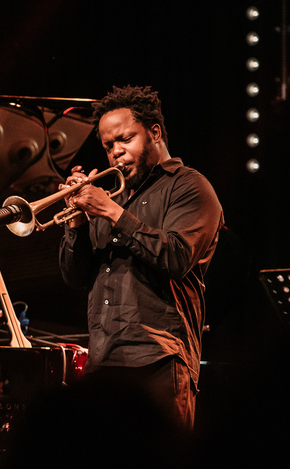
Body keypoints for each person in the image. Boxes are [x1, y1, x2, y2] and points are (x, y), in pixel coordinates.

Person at [59, 85, 224, 429]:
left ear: (155, 132)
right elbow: (76, 278)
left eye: (125, 139)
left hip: (159, 359)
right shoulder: (115, 200)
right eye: (108, 146)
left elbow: (177, 257)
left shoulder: (189, 187)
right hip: (104, 362)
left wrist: (112, 213)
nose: (116, 152)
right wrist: (75, 223)